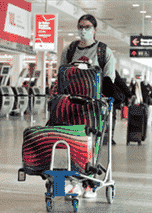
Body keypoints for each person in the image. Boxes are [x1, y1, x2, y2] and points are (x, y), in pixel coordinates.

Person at [57, 14, 116, 199]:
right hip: (70, 105)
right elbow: (62, 75)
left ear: (95, 29)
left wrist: (107, 98)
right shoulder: (69, 50)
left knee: (91, 142)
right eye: (80, 26)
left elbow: (108, 79)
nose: (83, 29)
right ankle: (69, 181)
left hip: (93, 107)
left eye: (87, 26)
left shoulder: (103, 51)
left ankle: (89, 183)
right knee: (69, 140)